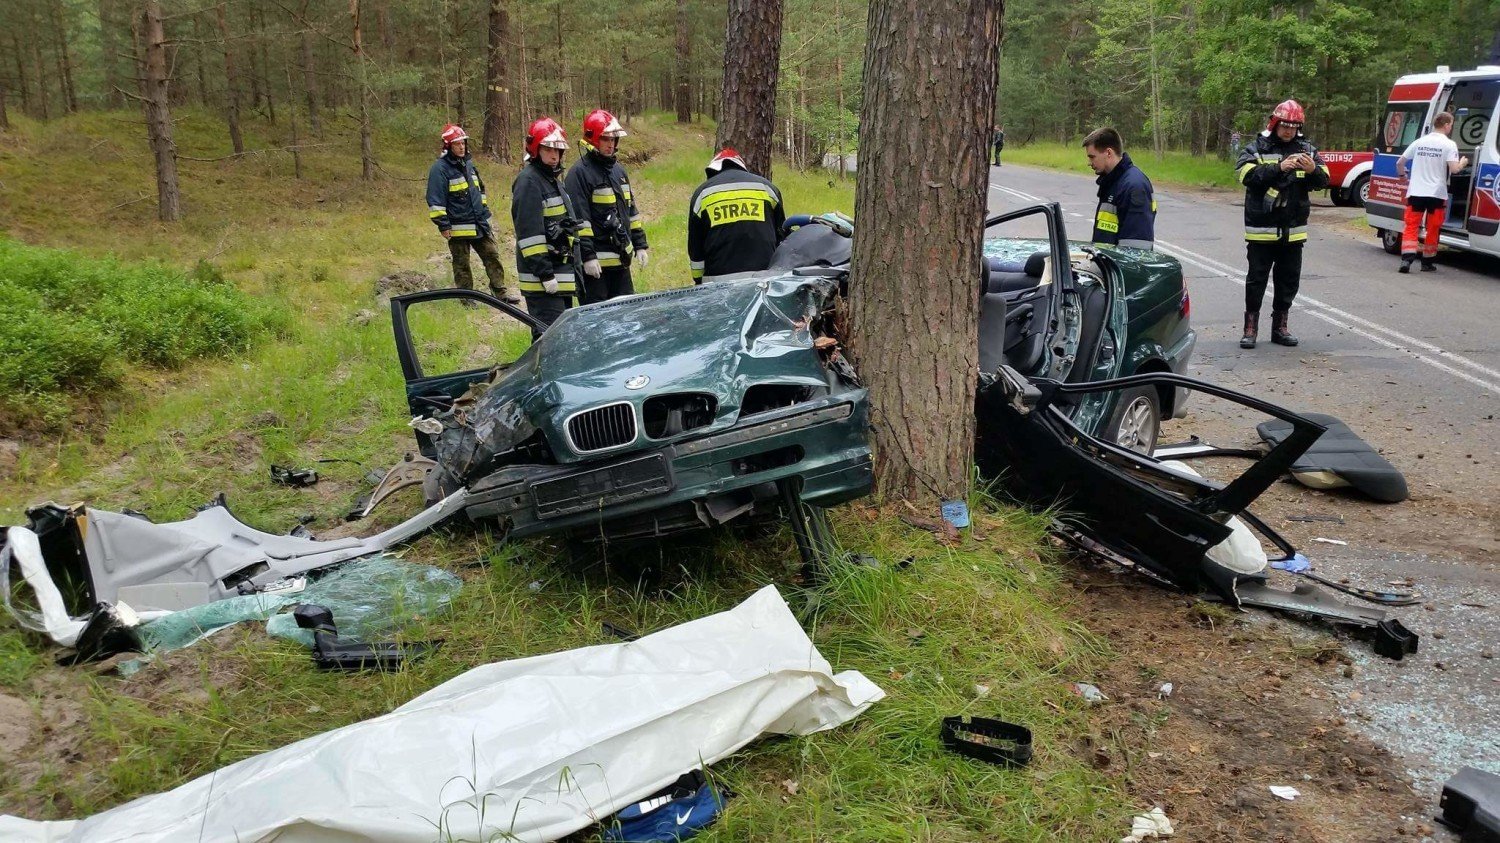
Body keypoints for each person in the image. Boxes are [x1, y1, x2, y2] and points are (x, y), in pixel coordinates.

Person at [1234, 99, 1329, 349]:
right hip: (1261, 230)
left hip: (1294, 231)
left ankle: (1280, 327)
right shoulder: (1256, 148)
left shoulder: (1307, 149)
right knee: (1257, 280)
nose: (1288, 131)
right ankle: (1250, 329)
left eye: (1294, 126)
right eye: (1284, 125)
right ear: (1274, 123)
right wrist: (1279, 167)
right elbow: (1245, 176)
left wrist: (1312, 171)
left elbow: (1324, 179)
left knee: (1288, 281)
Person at [425, 124, 521, 303]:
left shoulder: (468, 164)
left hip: (479, 223)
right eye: (457, 144)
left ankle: (500, 293)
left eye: (463, 143)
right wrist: (443, 225)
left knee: (492, 255)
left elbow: (480, 189)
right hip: (457, 228)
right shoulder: (439, 169)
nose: (461, 147)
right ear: (448, 147)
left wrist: (484, 211)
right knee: (462, 265)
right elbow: (435, 199)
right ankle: (466, 298)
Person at [564, 109, 650, 304]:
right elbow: (579, 220)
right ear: (593, 138)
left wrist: (640, 244)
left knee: (626, 317)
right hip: (597, 268)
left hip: (621, 262)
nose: (611, 144)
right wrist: (588, 257)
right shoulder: (579, 174)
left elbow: (630, 212)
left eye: (614, 139)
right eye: (605, 139)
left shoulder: (618, 171)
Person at [511, 117, 582, 335]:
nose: (554, 155)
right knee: (549, 339)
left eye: (558, 150)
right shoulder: (528, 182)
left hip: (559, 273)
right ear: (535, 149)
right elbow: (529, 235)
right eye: (548, 149)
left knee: (563, 337)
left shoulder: (551, 179)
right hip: (542, 281)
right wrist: (545, 274)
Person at [686, 148, 785, 284]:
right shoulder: (767, 189)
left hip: (717, 284)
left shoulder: (702, 194)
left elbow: (695, 245)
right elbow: (782, 236)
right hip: (764, 281)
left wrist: (698, 281)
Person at [1396, 111, 1468, 273]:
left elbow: (1400, 162)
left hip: (1416, 192)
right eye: (1451, 124)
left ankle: (1406, 261)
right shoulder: (1449, 145)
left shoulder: (1419, 142)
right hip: (1437, 193)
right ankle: (1427, 262)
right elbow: (1455, 169)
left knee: (1411, 226)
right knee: (1433, 227)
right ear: (1447, 125)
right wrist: (1463, 162)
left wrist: (1403, 176)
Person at [1083, 127, 1156, 250]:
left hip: (1122, 267)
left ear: (1109, 153)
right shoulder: (1112, 182)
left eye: (1092, 157)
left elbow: (1136, 247)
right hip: (1107, 264)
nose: (1089, 162)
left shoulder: (1134, 186)